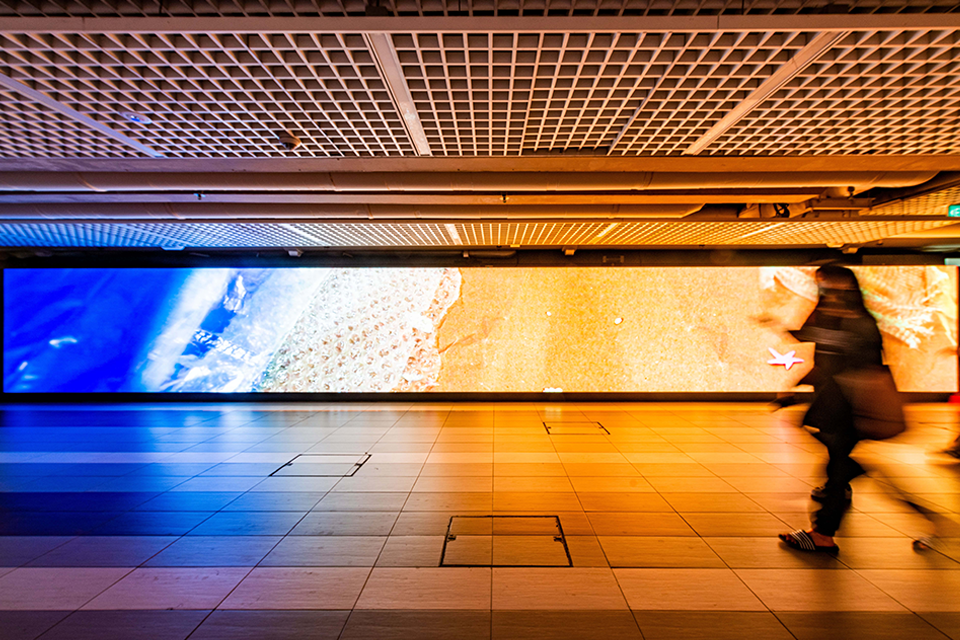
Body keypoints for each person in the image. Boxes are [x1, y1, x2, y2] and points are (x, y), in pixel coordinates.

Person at [778, 265, 884, 554]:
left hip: (850, 405)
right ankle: (846, 477)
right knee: (834, 458)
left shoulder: (858, 322)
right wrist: (797, 387)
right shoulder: (832, 317)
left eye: (830, 285)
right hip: (833, 403)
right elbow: (822, 358)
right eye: (822, 284)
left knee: (837, 464)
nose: (825, 291)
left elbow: (858, 361)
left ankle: (823, 532)